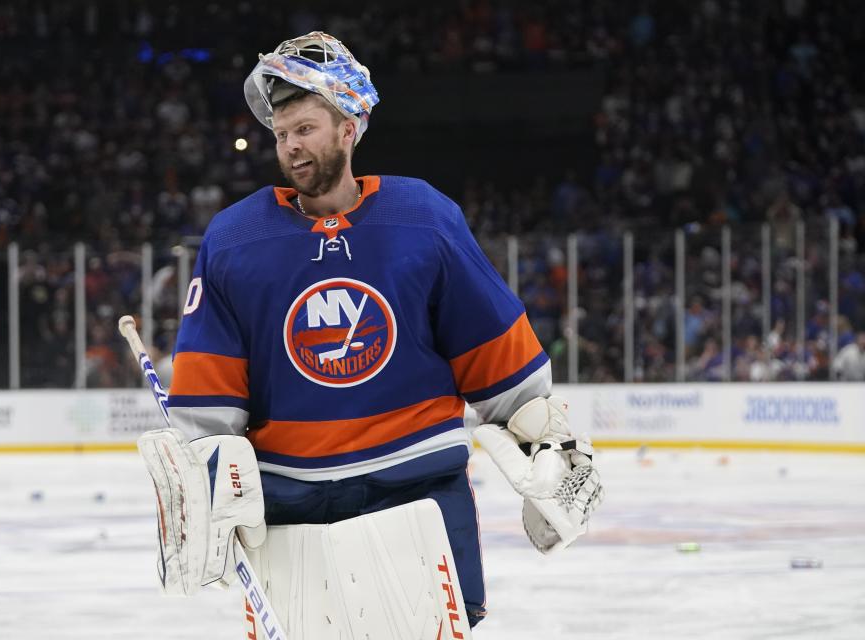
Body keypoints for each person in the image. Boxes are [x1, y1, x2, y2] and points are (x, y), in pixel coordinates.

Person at [154, 31, 601, 634]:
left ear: (349, 127)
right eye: (281, 135)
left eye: (305, 129)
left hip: (418, 496)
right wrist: (205, 476)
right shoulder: (234, 241)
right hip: (292, 512)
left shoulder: (425, 219)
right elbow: (210, 400)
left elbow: (502, 368)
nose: (290, 147)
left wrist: (549, 449)